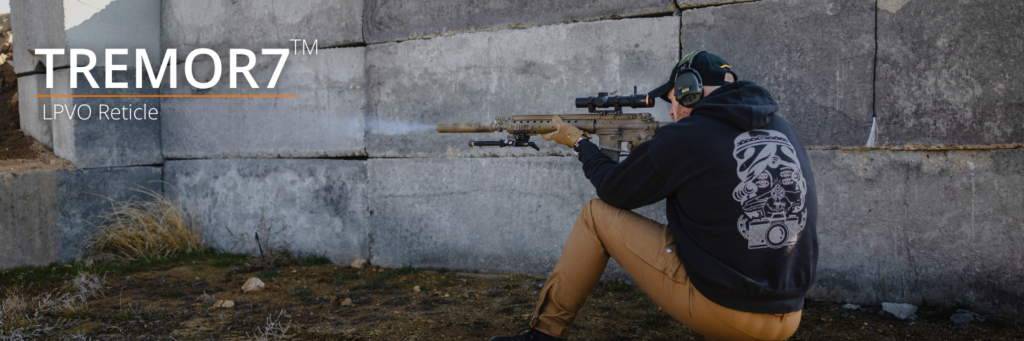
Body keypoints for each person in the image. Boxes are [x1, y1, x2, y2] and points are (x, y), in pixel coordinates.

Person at [490, 51, 818, 341]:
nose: (672, 112)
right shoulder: (782, 127)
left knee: (595, 216)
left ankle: (544, 334)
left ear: (690, 91)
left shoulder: (687, 135)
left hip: (727, 314)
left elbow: (613, 189)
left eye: (675, 99)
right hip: (790, 314)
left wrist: (579, 143)